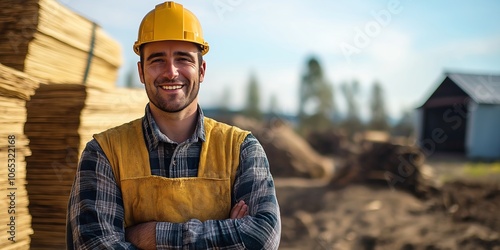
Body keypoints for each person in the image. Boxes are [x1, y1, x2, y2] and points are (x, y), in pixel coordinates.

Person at [66, 1, 281, 249]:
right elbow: (94, 245)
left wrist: (150, 235)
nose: (170, 72)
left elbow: (261, 238)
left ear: (201, 70)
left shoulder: (241, 149)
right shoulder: (104, 153)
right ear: (141, 71)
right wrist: (226, 235)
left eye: (183, 59)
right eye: (157, 60)